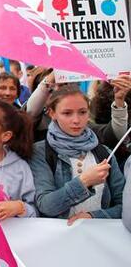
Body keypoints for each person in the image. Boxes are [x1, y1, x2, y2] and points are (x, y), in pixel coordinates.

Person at [29, 86, 125, 224]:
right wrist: (84, 181)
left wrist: (94, 216)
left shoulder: (103, 152)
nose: (76, 120)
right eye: (67, 113)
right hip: (58, 235)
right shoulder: (40, 152)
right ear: (52, 113)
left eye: (82, 112)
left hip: (99, 234)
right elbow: (46, 206)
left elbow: (124, 205)